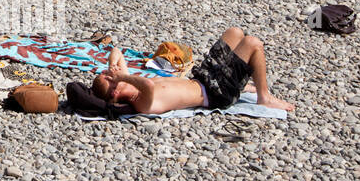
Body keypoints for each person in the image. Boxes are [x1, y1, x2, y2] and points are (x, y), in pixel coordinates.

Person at [91, 27, 294, 113]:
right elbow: (149, 85)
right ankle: (264, 96)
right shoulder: (141, 103)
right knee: (253, 43)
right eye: (112, 78)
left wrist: (112, 66)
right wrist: (124, 76)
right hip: (217, 94)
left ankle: (245, 85)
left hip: (203, 78)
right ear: (116, 91)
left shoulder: (130, 81)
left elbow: (116, 50)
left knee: (235, 33)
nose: (115, 74)